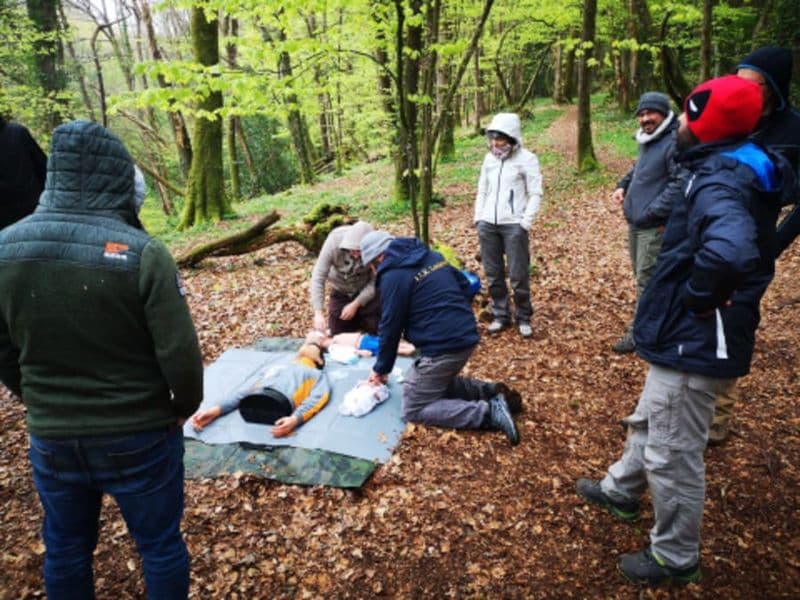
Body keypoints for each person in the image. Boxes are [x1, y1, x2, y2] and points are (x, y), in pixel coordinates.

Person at [576, 75, 793, 586]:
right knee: (651, 416)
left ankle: (675, 557)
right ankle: (622, 490)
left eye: (691, 118)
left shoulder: (720, 179)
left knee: (673, 452)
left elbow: (732, 251)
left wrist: (696, 297)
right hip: (683, 335)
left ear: (708, 127)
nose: (681, 125)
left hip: (696, 338)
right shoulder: (723, 164)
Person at [0, 120, 204, 598]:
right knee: (159, 545)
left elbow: (2, 348)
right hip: (140, 433)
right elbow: (180, 353)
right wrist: (183, 406)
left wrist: (36, 397)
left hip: (54, 436)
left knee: (66, 548)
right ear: (115, 177)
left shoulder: (4, 248)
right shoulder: (143, 252)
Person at [705, 47, 800, 445]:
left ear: (775, 88)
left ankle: (717, 419)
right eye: (739, 80)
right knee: (695, 316)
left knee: (734, 323)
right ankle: (679, 408)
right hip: (711, 241)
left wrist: (774, 244)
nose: (744, 91)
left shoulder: (794, 131)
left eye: (754, 84)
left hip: (753, 251)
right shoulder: (730, 121)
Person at [360, 230, 522, 445]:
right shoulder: (431, 256)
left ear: (378, 258)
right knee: (425, 382)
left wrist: (381, 369)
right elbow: (465, 285)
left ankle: (488, 412)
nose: (374, 271)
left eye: (372, 266)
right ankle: (488, 391)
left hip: (445, 345)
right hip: (466, 332)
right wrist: (448, 313)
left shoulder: (392, 276)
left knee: (414, 406)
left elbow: (390, 327)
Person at [610, 92, 687, 353]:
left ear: (664, 114)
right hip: (637, 223)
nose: (645, 118)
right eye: (641, 114)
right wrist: (623, 185)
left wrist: (652, 211)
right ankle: (657, 327)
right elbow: (638, 169)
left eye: (650, 113)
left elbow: (680, 182)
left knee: (647, 280)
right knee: (643, 277)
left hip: (654, 226)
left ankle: (640, 335)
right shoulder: (648, 140)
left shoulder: (674, 141)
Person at [474, 112, 543, 338]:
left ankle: (523, 317)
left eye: (500, 138)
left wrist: (525, 222)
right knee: (493, 274)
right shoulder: (489, 159)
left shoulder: (527, 159)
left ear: (512, 138)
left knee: (518, 274)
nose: (495, 143)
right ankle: (501, 315)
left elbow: (535, 192)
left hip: (514, 225)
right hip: (488, 225)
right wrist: (479, 218)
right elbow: (482, 189)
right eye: (493, 137)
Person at [191, 342, 330, 438]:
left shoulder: (304, 371)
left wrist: (295, 419)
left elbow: (317, 398)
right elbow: (317, 398)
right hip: (269, 402)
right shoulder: (294, 369)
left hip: (268, 402)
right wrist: (216, 410)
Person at [310, 221, 380, 335]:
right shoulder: (334, 241)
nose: (356, 255)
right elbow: (318, 276)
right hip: (341, 290)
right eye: (353, 251)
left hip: (366, 291)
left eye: (359, 251)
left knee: (376, 330)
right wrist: (318, 312)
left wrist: (356, 303)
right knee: (338, 335)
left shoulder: (377, 246)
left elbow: (376, 280)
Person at [0, 115, 47, 229]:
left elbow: (45, 170)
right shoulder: (18, 132)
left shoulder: (18, 133)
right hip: (34, 214)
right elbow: (45, 170)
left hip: (26, 215)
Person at [305, 329, 416, 357]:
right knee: (385, 347)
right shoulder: (332, 346)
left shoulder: (331, 336)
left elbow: (326, 331)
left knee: (386, 342)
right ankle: (406, 351)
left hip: (363, 338)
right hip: (362, 345)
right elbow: (346, 351)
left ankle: (408, 346)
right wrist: (359, 352)